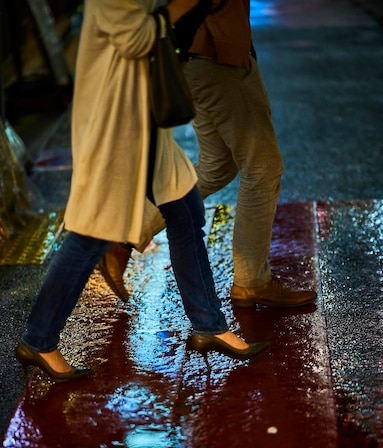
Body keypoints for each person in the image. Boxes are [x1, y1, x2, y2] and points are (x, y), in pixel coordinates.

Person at [15, 0, 269, 384]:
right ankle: (38, 339)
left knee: (186, 212)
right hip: (117, 123)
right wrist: (180, 7)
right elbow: (135, 38)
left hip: (144, 119)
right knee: (92, 236)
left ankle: (209, 325)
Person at [99, 0, 317, 308]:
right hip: (217, 55)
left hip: (197, 56)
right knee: (263, 168)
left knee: (216, 165)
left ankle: (122, 236)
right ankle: (251, 282)